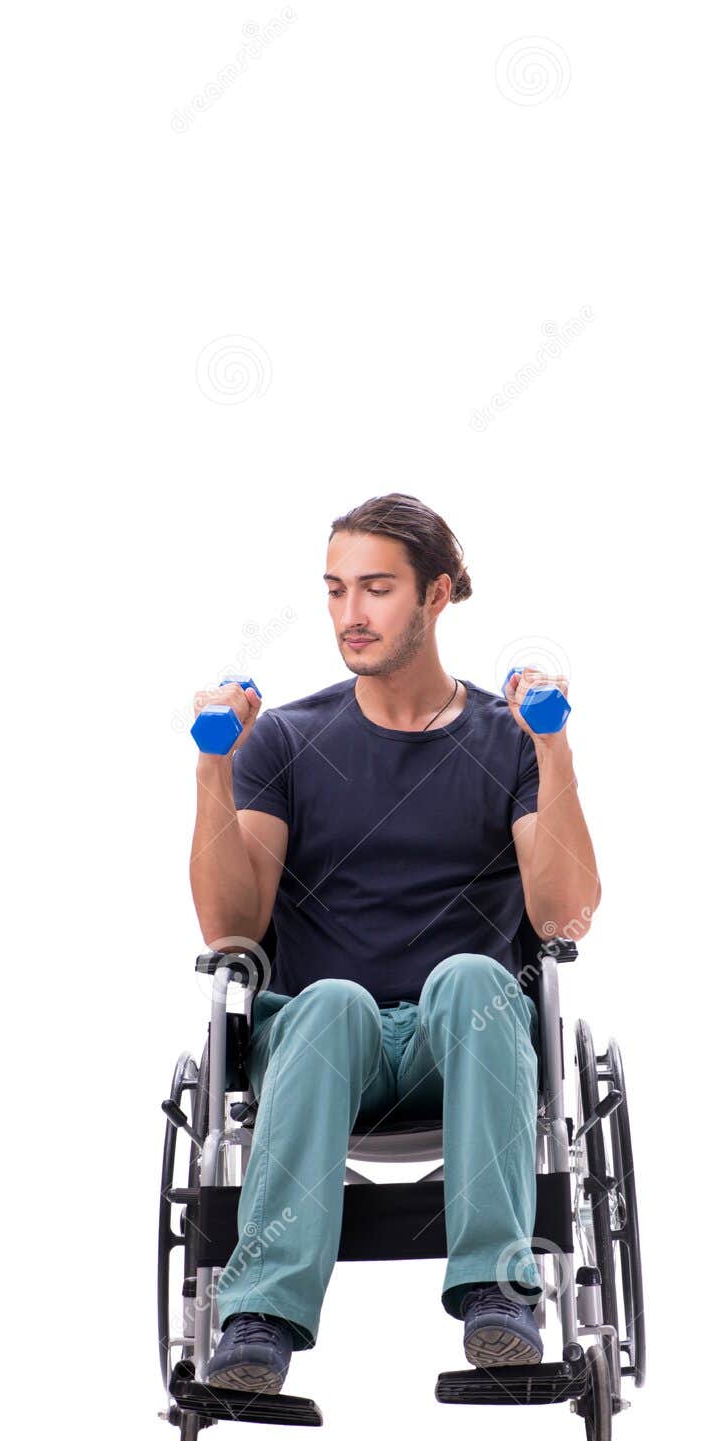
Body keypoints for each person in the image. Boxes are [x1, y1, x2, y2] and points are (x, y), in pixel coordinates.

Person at [188, 492, 601, 1392]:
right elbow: (231, 928)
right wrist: (214, 765)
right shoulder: (291, 740)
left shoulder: (506, 739)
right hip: (328, 1045)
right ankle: (258, 1316)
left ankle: (500, 1294)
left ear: (438, 594)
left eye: (376, 589)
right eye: (336, 590)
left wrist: (555, 749)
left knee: (470, 976)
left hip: (470, 1041)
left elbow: (564, 916)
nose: (351, 614)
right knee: (330, 1000)